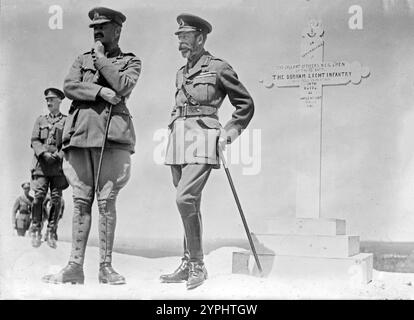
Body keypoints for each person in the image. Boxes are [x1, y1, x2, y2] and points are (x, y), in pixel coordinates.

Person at [42, 7, 141, 285]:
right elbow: (70, 86)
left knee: (107, 202)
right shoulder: (80, 59)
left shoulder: (131, 61)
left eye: (103, 26)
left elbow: (122, 86)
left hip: (112, 137)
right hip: (80, 135)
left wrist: (100, 60)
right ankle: (74, 266)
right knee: (81, 202)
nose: (97, 31)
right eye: (95, 27)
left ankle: (105, 268)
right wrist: (98, 91)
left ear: (117, 30)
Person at [161, 14, 255, 289]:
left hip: (204, 137)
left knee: (184, 198)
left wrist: (228, 133)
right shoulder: (180, 72)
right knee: (190, 203)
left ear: (200, 38)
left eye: (186, 38)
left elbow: (245, 104)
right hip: (178, 140)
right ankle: (188, 262)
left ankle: (198, 265)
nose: (181, 44)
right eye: (179, 39)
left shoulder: (219, 68)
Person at [29, 88, 68, 249]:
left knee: (56, 199)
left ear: (60, 101)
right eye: (47, 100)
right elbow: (34, 140)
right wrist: (43, 153)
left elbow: (67, 141)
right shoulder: (40, 120)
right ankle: (36, 229)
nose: (49, 102)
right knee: (38, 198)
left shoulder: (66, 121)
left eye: (52, 99)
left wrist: (58, 155)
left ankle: (51, 231)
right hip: (42, 166)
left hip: (58, 167)